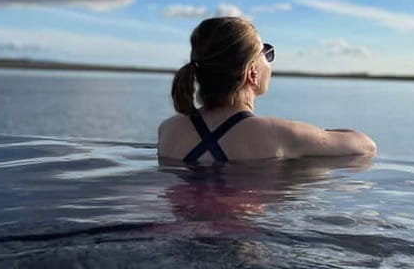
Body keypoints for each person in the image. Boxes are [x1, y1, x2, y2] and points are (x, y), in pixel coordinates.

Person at [157, 17, 376, 163]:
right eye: (267, 54)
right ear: (252, 72)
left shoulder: (168, 129)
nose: (270, 62)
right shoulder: (280, 134)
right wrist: (318, 136)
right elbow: (366, 146)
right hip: (243, 233)